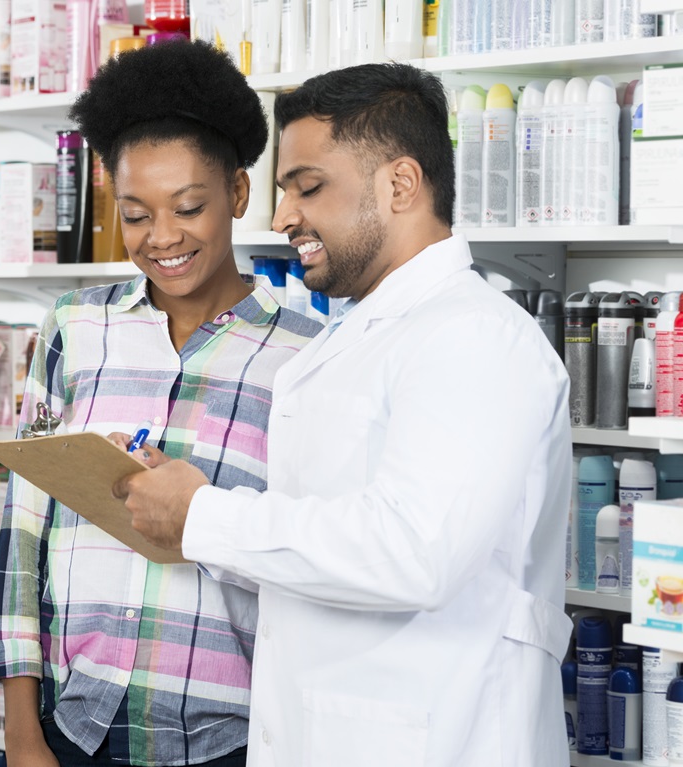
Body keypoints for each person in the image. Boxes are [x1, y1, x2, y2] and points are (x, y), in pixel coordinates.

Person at [115, 63, 573, 767]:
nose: (282, 217)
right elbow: (322, 551)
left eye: (308, 187)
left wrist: (206, 516)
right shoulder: (360, 336)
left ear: (400, 184)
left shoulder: (474, 336)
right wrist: (186, 509)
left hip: (440, 738)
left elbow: (415, 552)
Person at [0, 41, 323, 767]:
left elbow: (309, 556)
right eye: (135, 215)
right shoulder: (74, 327)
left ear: (239, 194)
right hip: (71, 725)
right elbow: (24, 531)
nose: (162, 237)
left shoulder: (305, 356)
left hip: (228, 738)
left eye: (189, 207)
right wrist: (22, 732)